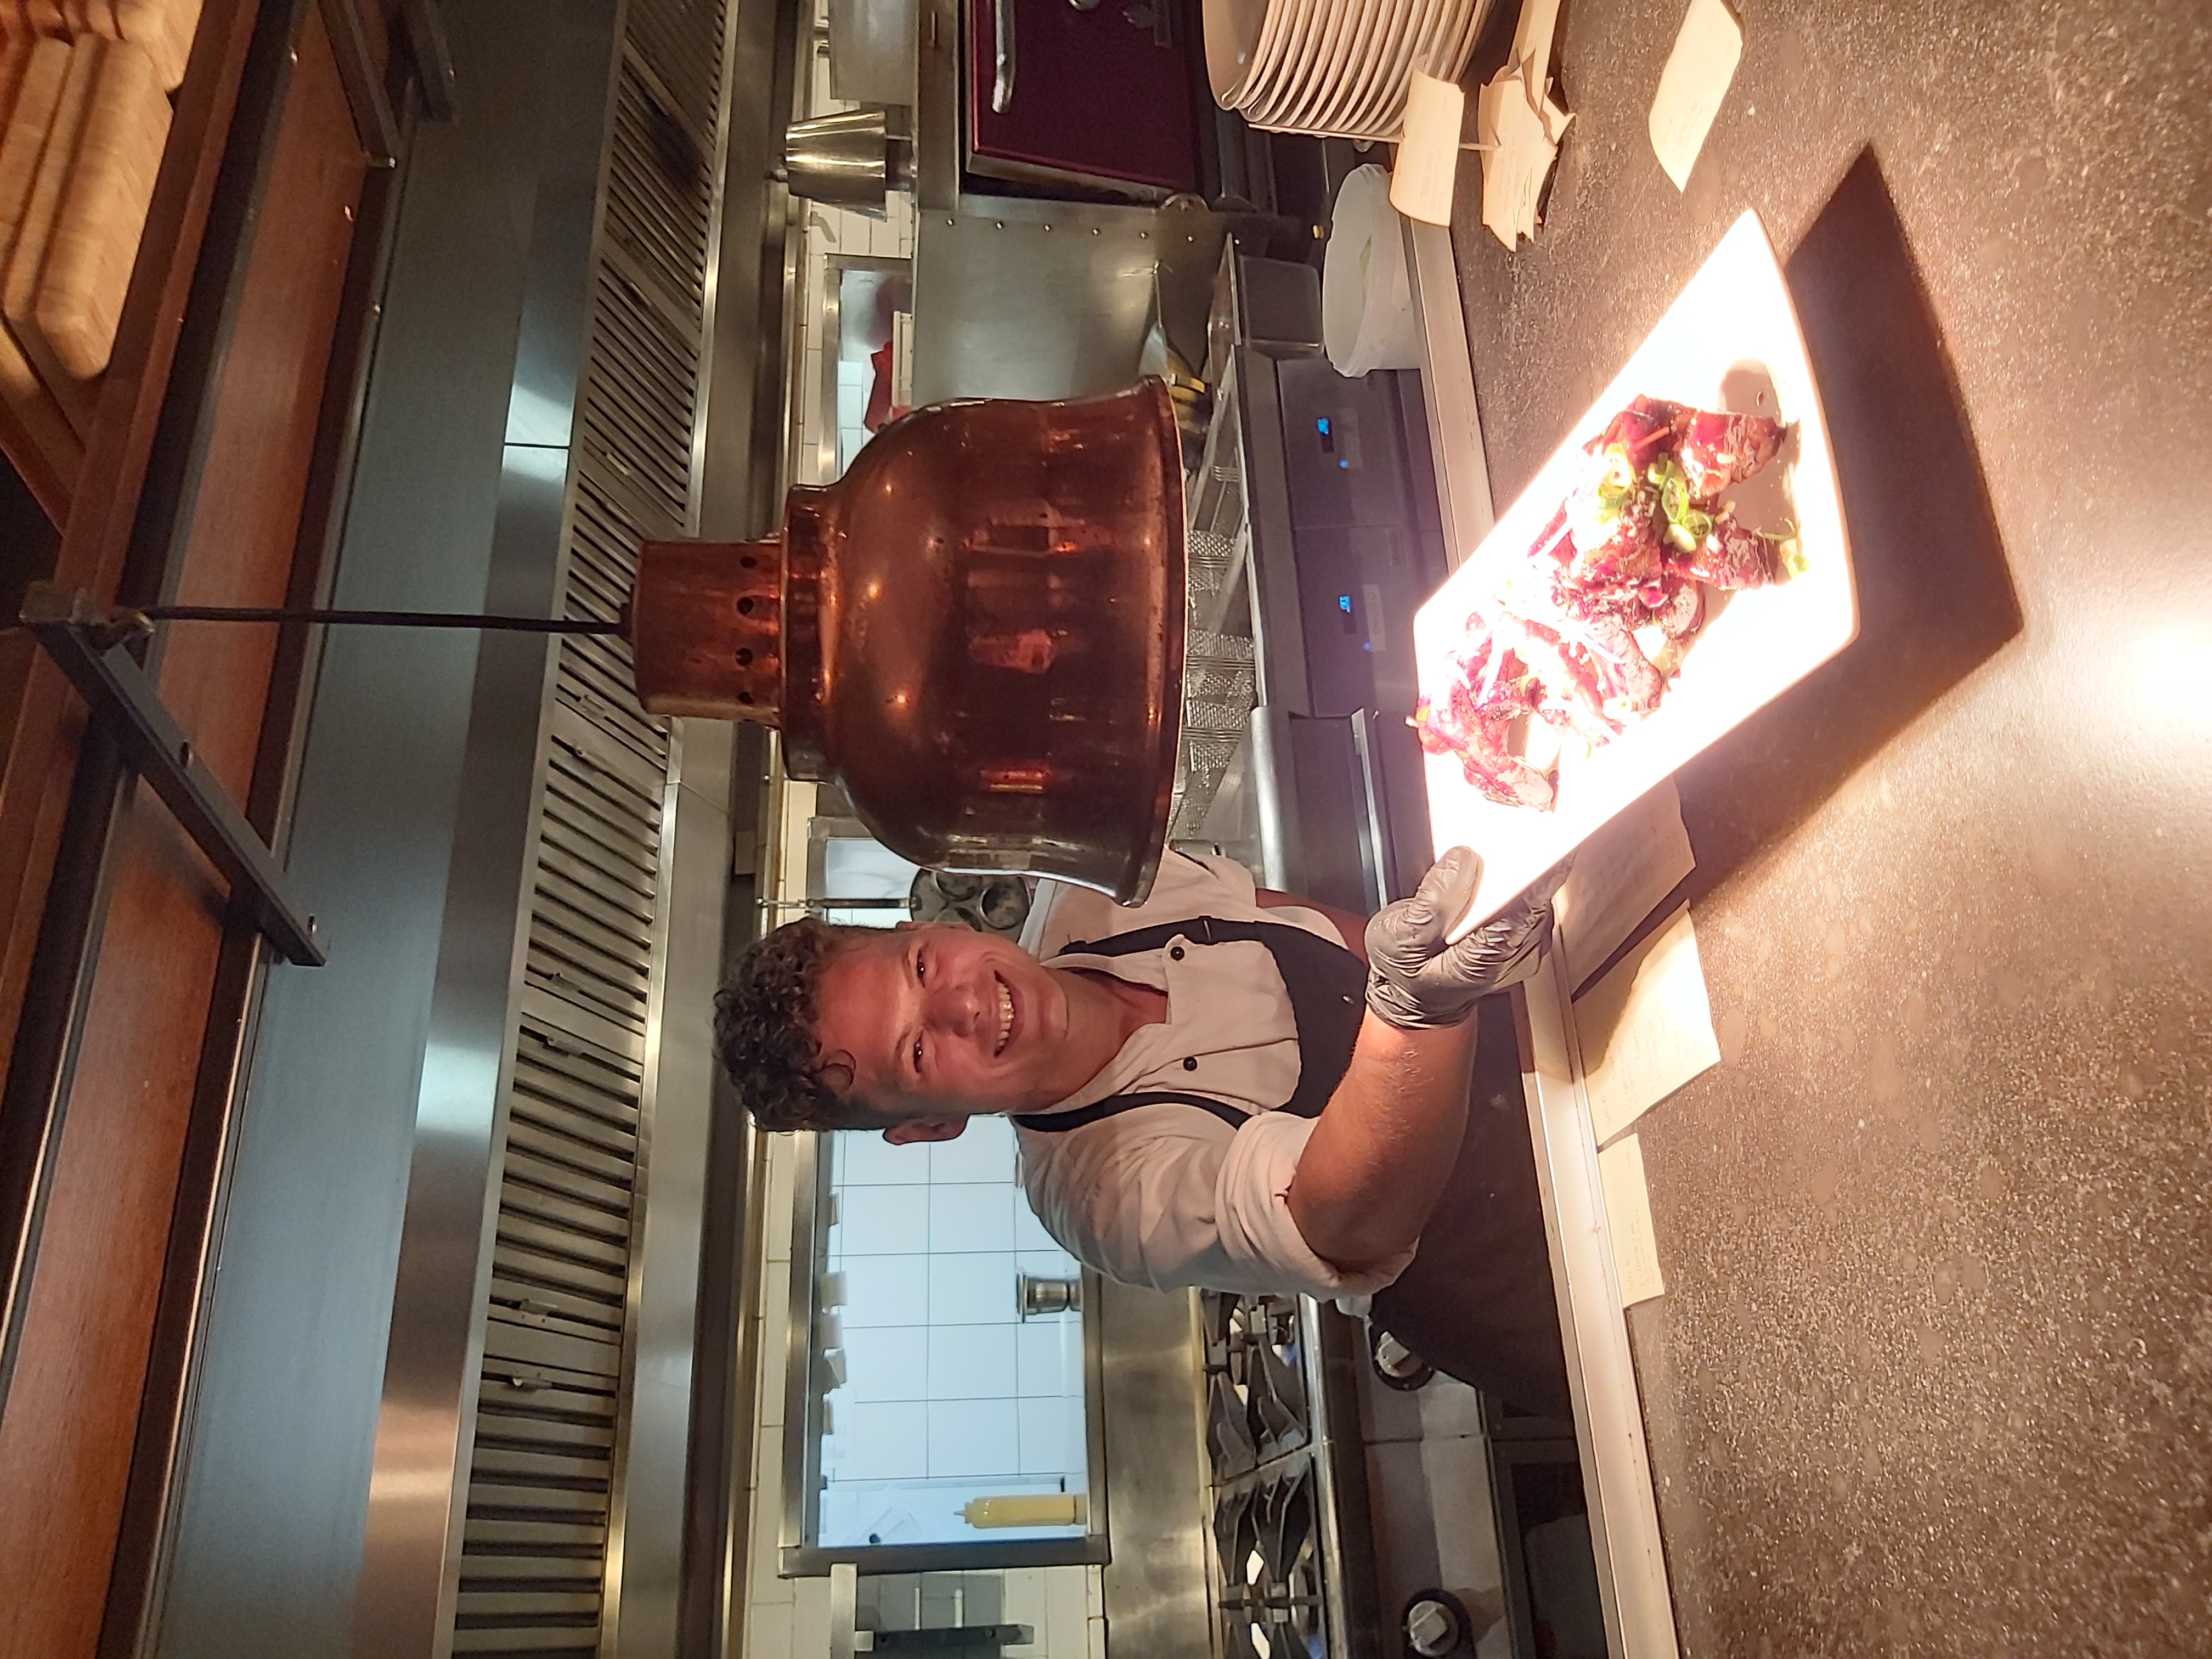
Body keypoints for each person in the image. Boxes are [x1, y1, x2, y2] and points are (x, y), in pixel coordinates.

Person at [715, 845, 1572, 1414]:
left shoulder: (1103, 887)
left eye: (923, 967)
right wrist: (1420, 1009)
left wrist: (1473, 953)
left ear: (927, 927)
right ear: (934, 1125)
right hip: (1541, 1274)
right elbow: (1341, 1217)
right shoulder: (1096, 1198)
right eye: (918, 1052)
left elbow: (1319, 930)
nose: (966, 1005)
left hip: (1564, 1044)